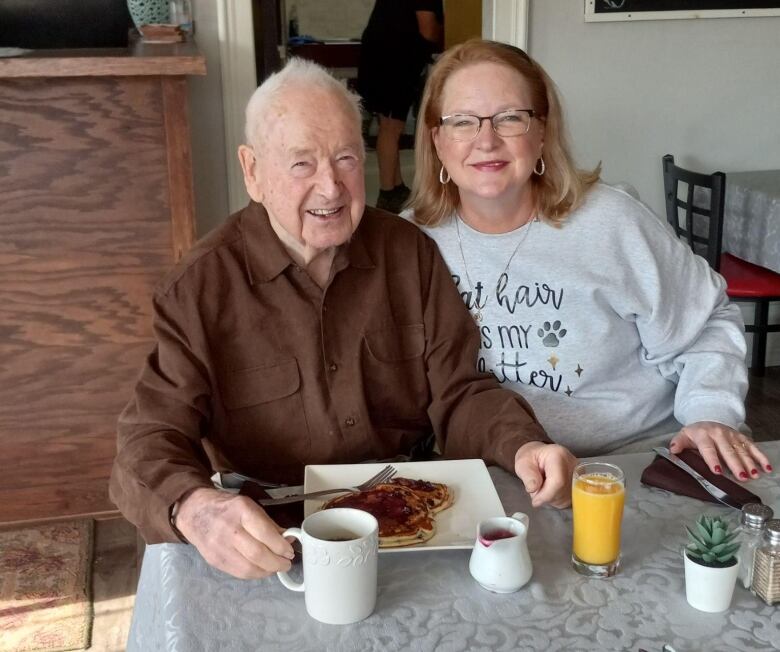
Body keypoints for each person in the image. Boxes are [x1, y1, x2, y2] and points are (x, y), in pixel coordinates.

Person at [109, 58, 577, 581]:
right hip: (275, 537)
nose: (331, 188)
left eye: (346, 158)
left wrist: (523, 443)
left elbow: (461, 391)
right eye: (301, 164)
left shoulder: (409, 254)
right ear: (253, 171)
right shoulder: (199, 288)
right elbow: (147, 439)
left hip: (412, 518)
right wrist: (194, 507)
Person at [406, 39, 772, 481]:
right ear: (437, 140)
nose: (486, 140)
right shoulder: (413, 242)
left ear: (542, 132)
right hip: (497, 472)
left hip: (639, 462)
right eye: (462, 121)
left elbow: (707, 320)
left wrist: (710, 411)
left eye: (510, 118)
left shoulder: (610, 221)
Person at [358, 0, 443, 213]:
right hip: (394, 61)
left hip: (383, 56)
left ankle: (395, 186)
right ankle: (387, 193)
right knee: (390, 128)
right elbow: (428, 30)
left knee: (388, 127)